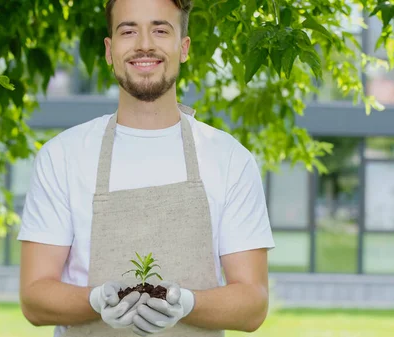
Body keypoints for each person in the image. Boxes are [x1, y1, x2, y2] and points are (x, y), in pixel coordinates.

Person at [17, 0, 275, 336]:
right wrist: (95, 301)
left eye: (160, 30)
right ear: (109, 50)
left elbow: (253, 305)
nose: (144, 44)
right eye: (128, 31)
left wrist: (188, 304)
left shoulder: (229, 159)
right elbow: (34, 299)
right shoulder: (62, 156)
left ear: (183, 47)